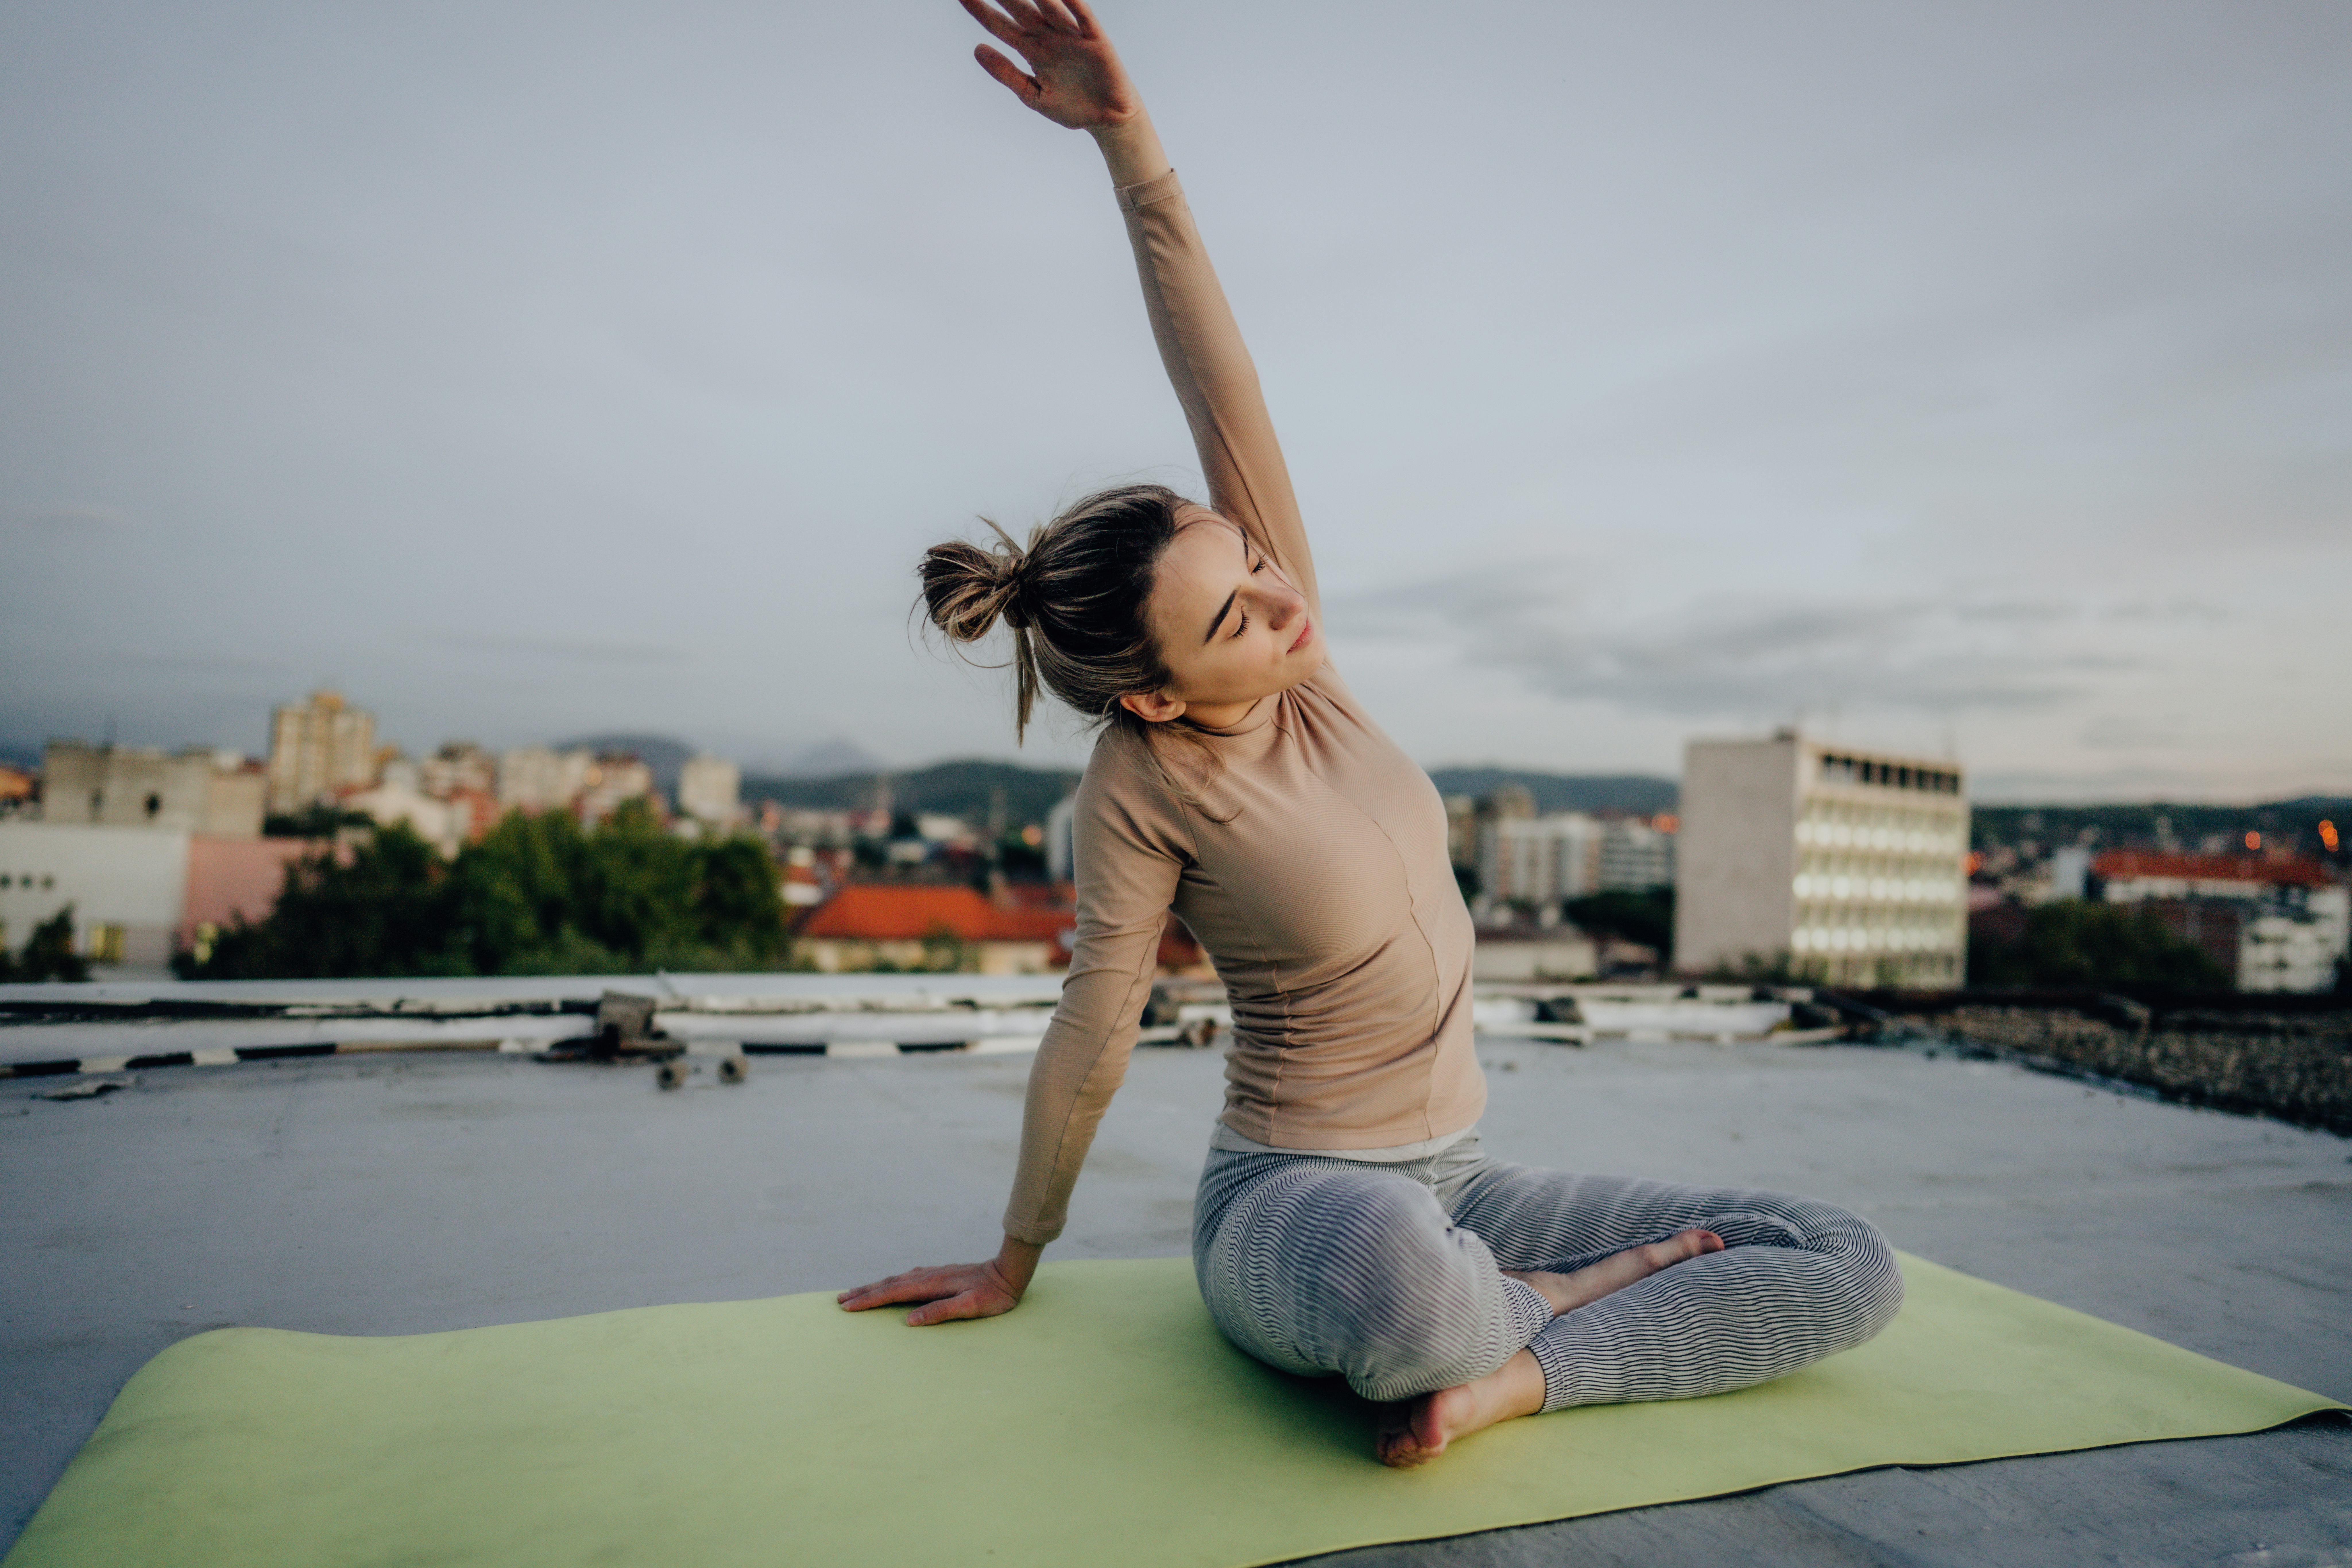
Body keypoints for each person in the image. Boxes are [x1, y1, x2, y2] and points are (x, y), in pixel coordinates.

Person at [840, 0, 1903, 1468]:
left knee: (1845, 1258)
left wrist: (1127, 147)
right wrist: (1015, 1256)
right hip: (1293, 1206)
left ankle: (1512, 1372)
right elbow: (1095, 1030)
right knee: (1407, 1296)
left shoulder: (1304, 664)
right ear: (1152, 694)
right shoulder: (1139, 787)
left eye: (1251, 559)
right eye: (1235, 614)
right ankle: (1531, 1317)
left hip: (1463, 1181)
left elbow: (1217, 380)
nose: (1284, 601)